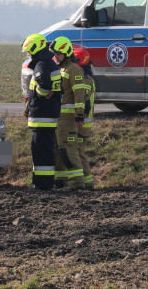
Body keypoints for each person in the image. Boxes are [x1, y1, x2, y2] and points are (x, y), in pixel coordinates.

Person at [22, 33, 62, 190]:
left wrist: (41, 94)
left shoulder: (42, 65)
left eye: (29, 51)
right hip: (46, 117)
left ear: (35, 48)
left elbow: (44, 87)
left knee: (41, 154)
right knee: (44, 152)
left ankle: (43, 185)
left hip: (42, 117)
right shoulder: (48, 63)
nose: (28, 54)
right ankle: (42, 183)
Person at [51, 36, 86, 189]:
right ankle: (61, 181)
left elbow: (79, 94)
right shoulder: (60, 68)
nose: (55, 56)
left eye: (58, 53)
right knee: (58, 150)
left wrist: (79, 114)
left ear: (66, 52)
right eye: (54, 54)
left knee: (67, 149)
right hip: (58, 117)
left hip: (68, 118)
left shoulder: (74, 69)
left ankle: (77, 183)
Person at [73, 46, 97, 190]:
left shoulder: (85, 80)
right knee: (78, 152)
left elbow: (84, 101)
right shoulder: (87, 77)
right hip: (84, 122)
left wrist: (78, 116)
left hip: (83, 123)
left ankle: (87, 183)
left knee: (79, 153)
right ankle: (85, 182)